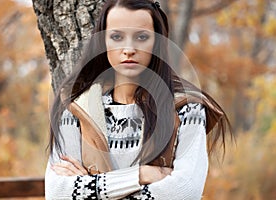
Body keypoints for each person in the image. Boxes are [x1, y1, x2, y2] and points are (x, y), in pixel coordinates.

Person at [45, 0, 232, 199]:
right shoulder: (76, 109)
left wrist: (92, 189)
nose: (129, 49)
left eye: (142, 37)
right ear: (103, 42)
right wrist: (141, 175)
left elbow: (185, 191)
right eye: (116, 37)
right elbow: (57, 193)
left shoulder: (187, 109)